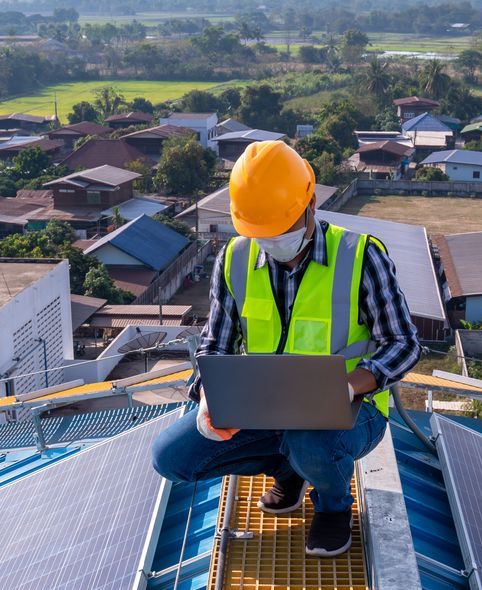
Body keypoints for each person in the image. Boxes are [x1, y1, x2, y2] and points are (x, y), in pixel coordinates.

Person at [150, 140, 421, 558]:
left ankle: (332, 506)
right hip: (264, 405)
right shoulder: (234, 259)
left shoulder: (361, 257)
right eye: (261, 231)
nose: (272, 240)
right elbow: (216, 344)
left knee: (310, 440)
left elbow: (403, 343)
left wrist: (348, 387)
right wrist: (207, 397)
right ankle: (289, 469)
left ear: (311, 204)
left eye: (282, 227)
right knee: (172, 457)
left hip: (352, 409)